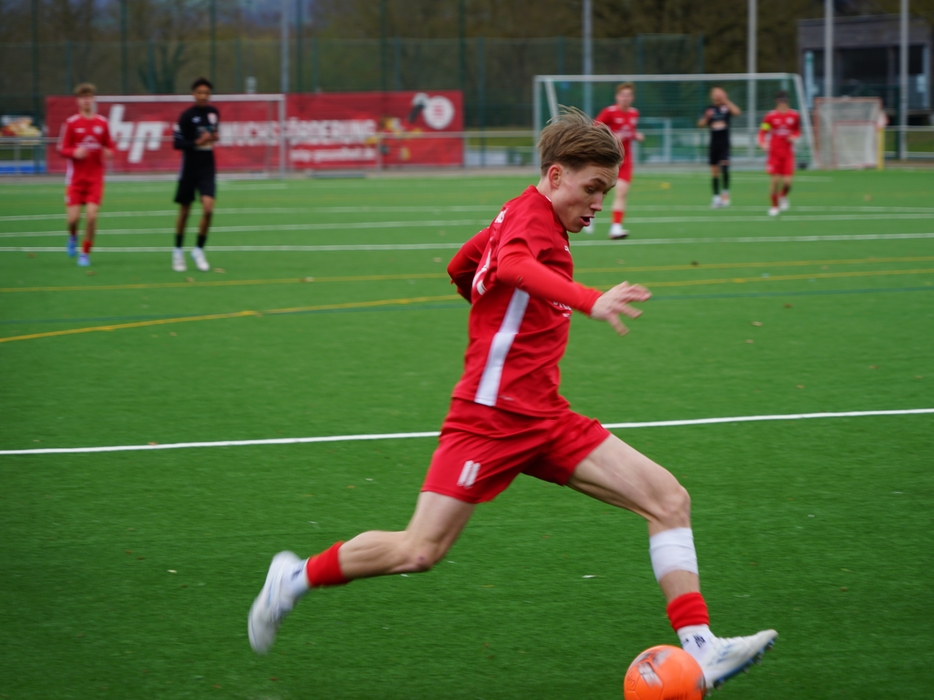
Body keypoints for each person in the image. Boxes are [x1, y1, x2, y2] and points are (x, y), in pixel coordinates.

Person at [247, 109, 777, 691]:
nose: (598, 203)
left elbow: (462, 264)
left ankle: (701, 648)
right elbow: (516, 264)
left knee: (667, 499)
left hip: (545, 416)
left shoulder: (518, 214)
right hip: (489, 418)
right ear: (555, 175)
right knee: (420, 550)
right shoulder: (530, 218)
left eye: (605, 191)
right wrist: (588, 299)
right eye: (591, 188)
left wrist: (489, 306)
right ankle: (293, 578)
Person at [58, 83, 115, 268]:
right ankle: (73, 236)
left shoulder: (102, 123)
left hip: (95, 179)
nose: (86, 100)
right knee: (73, 220)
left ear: (93, 99)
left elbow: (110, 145)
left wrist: (109, 152)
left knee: (91, 217)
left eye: (89, 97)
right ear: (78, 101)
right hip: (75, 180)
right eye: (83, 97)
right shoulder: (71, 123)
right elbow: (62, 148)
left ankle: (85, 253)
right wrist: (74, 152)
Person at [172, 77, 220, 272]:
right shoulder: (186, 116)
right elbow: (177, 143)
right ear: (193, 94)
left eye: (206, 93)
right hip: (189, 167)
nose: (203, 96)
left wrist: (214, 137)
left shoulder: (213, 113)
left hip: (207, 166)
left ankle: (198, 250)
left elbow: (215, 134)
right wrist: (197, 142)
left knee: (208, 209)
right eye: (199, 92)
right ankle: (177, 251)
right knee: (185, 211)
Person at [594, 82, 644, 239]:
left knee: (621, 192)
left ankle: (616, 227)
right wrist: (613, 136)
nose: (625, 98)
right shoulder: (609, 112)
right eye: (623, 95)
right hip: (609, 158)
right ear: (617, 97)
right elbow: (595, 128)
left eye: (628, 95)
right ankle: (587, 213)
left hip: (626, 160)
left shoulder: (634, 113)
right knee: (599, 190)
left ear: (632, 98)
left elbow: (630, 131)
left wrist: (636, 136)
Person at [758, 90, 801, 217]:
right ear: (777, 102)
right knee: (775, 181)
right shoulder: (770, 116)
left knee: (788, 182)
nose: (783, 104)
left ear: (788, 102)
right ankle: (774, 206)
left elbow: (797, 131)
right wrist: (763, 143)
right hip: (774, 153)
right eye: (781, 101)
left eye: (785, 101)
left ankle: (782, 195)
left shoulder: (794, 115)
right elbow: (762, 132)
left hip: (788, 154)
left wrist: (794, 136)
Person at [697, 87, 741, 208]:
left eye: (719, 93)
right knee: (714, 172)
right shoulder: (709, 109)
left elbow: (737, 112)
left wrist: (726, 100)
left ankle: (725, 193)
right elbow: (700, 124)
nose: (717, 95)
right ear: (711, 96)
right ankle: (716, 198)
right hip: (713, 144)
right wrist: (706, 118)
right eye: (715, 94)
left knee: (725, 168)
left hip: (724, 144)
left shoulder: (726, 107)